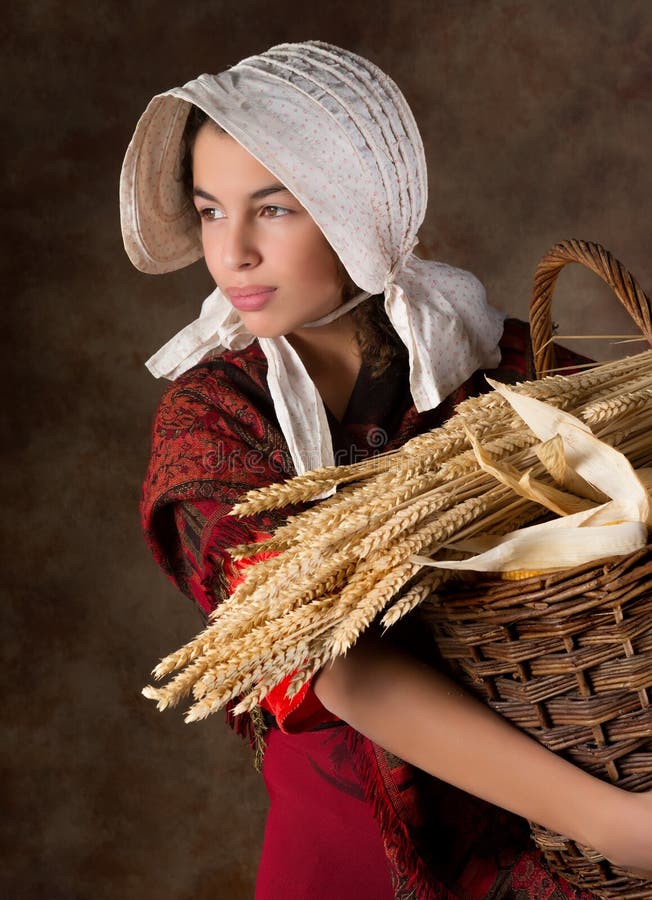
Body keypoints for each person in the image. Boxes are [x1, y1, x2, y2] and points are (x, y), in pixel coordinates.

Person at [120, 41, 652, 899]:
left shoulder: (497, 359)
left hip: (547, 853)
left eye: (276, 209)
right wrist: (612, 821)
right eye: (210, 211)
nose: (234, 253)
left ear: (360, 205)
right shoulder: (213, 423)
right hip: (356, 855)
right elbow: (334, 662)